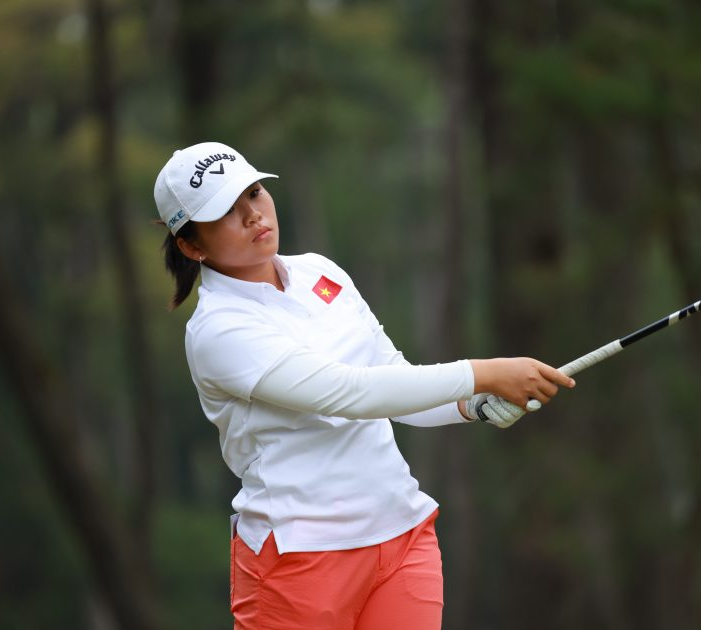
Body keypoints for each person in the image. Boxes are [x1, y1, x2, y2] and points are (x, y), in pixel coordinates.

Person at [153, 141, 575, 629]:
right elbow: (349, 394)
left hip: (400, 537)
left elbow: (393, 380)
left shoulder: (320, 272)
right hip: (298, 557)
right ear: (192, 246)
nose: (253, 215)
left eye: (253, 193)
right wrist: (484, 373)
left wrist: (473, 402)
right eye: (226, 211)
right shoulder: (218, 329)